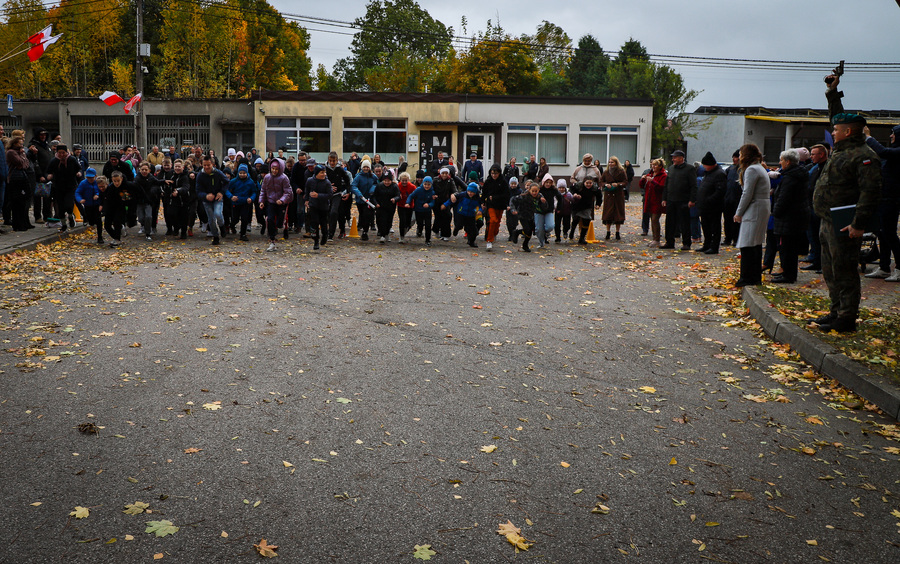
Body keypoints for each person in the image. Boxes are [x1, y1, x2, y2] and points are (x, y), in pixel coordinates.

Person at [807, 74, 882, 332]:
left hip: (845, 225)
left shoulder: (864, 155)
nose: (833, 131)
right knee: (830, 270)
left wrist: (858, 225)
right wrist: (831, 92)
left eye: (836, 130)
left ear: (847, 132)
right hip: (828, 221)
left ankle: (847, 317)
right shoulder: (842, 148)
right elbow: (837, 116)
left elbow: (870, 192)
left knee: (845, 271)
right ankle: (835, 310)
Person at [862, 124, 900, 281]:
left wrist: (869, 137)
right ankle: (884, 267)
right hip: (883, 197)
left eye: (893, 134)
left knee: (890, 233)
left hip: (892, 199)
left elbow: (883, 151)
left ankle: (899, 267)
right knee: (883, 233)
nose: (891, 136)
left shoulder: (896, 152)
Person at [768, 149, 809, 283]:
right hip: (792, 217)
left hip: (789, 218)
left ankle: (789, 275)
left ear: (788, 161)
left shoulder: (790, 177)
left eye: (781, 160)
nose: (780, 163)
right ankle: (786, 272)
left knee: (788, 248)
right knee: (787, 247)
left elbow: (784, 198)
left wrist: (775, 212)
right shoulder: (794, 174)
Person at [733, 144, 771, 287]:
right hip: (761, 206)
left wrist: (738, 212)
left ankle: (747, 276)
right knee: (755, 242)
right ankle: (754, 276)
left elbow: (747, 193)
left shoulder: (752, 169)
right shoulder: (759, 167)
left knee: (748, 243)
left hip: (755, 207)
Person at [661, 150, 697, 250]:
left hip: (683, 200)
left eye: (675, 157)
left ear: (681, 158)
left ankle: (686, 243)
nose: (673, 159)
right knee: (670, 222)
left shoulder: (689, 169)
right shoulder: (671, 169)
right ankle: (669, 242)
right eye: (673, 157)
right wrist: (664, 198)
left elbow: (693, 186)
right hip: (671, 200)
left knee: (684, 222)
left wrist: (692, 200)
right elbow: (666, 184)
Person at [801, 145, 829, 272]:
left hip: (822, 208)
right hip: (811, 206)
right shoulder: (814, 168)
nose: (811, 156)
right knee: (813, 236)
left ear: (822, 154)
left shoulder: (827, 168)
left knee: (822, 237)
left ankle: (824, 263)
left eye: (813, 154)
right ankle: (816, 261)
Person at [195, 155, 231, 245]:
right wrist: (205, 196)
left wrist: (221, 192)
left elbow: (227, 182)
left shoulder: (218, 173)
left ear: (213, 164)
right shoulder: (200, 175)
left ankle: (222, 226)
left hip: (217, 198)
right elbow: (198, 191)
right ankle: (215, 236)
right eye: (205, 165)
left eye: (208, 165)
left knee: (218, 214)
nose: (207, 167)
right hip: (207, 200)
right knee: (211, 219)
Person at [45, 144, 82, 231]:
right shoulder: (54, 161)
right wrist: (49, 175)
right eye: (59, 153)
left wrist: (78, 173)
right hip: (58, 187)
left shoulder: (71, 159)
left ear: (66, 152)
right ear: (56, 152)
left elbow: (79, 168)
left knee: (69, 205)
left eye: (63, 153)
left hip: (70, 186)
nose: (61, 155)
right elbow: (48, 171)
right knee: (60, 208)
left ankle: (70, 216)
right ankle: (64, 224)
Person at [696, 152, 727, 254]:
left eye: (705, 165)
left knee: (714, 227)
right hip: (705, 206)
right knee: (705, 226)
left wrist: (709, 200)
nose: (704, 167)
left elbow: (720, 191)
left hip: (713, 207)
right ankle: (707, 244)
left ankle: (714, 246)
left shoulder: (719, 174)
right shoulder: (708, 173)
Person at [259, 158, 293, 252]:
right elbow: (263, 190)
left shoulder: (284, 178)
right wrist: (261, 201)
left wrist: (282, 200)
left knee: (279, 222)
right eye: (273, 168)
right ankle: (272, 240)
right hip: (271, 202)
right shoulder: (267, 177)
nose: (274, 171)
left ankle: (281, 225)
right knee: (269, 219)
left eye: (276, 169)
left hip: (281, 203)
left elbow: (288, 192)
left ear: (280, 169)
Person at [443, 183, 482, 248]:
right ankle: (456, 229)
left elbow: (481, 205)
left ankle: (471, 242)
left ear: (475, 192)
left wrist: (480, 210)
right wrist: (445, 205)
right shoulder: (463, 195)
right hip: (461, 213)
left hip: (471, 215)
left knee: (473, 231)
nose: (470, 193)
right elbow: (452, 200)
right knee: (459, 225)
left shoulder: (477, 198)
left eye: (472, 192)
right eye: (469, 191)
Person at [481, 164, 509, 251]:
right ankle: (489, 240)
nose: (494, 175)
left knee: (497, 223)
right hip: (491, 205)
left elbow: (506, 194)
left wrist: (496, 197)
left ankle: (494, 233)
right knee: (492, 220)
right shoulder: (488, 181)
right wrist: (483, 202)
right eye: (492, 173)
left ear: (499, 173)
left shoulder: (503, 182)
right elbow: (484, 192)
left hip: (500, 205)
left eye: (496, 173)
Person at [640, 159, 667, 247]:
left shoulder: (663, 175)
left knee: (655, 219)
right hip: (649, 200)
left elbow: (662, 187)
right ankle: (654, 239)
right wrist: (643, 179)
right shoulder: (650, 174)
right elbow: (641, 186)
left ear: (660, 166)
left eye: (655, 165)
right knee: (652, 219)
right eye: (652, 165)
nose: (653, 167)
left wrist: (653, 181)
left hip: (657, 201)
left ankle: (657, 239)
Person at [304, 164, 332, 250]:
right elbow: (307, 190)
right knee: (314, 223)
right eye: (321, 173)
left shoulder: (327, 183)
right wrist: (307, 200)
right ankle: (316, 241)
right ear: (316, 173)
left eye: (325, 172)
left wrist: (318, 195)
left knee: (323, 224)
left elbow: (330, 195)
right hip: (313, 206)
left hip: (324, 207)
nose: (324, 174)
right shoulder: (310, 180)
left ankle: (325, 235)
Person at [105, 171, 136, 246]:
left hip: (120, 208)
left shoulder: (125, 187)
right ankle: (115, 236)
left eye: (118, 181)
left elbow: (128, 200)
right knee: (107, 226)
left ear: (121, 179)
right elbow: (106, 199)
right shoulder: (110, 188)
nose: (116, 183)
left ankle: (117, 239)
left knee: (117, 222)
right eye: (114, 181)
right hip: (110, 208)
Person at [600, 156, 627, 240]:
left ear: (616, 163)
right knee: (608, 213)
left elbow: (625, 182)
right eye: (609, 162)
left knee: (618, 213)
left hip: (618, 195)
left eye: (612, 162)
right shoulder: (606, 172)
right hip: (609, 195)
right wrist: (605, 185)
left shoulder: (621, 171)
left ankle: (617, 232)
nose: (610, 164)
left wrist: (618, 184)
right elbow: (601, 181)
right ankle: (608, 232)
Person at [350, 160, 378, 241]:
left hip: (369, 200)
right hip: (360, 200)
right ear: (362, 168)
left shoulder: (373, 176)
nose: (366, 168)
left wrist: (372, 189)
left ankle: (365, 232)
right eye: (364, 167)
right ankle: (362, 227)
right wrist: (359, 195)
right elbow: (353, 186)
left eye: (367, 167)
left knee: (367, 215)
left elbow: (376, 184)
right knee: (362, 215)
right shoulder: (358, 176)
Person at [134, 162, 162, 240]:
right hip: (140, 201)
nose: (144, 171)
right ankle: (143, 225)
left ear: (149, 170)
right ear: (139, 170)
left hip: (148, 201)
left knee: (149, 216)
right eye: (142, 169)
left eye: (146, 170)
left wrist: (165, 181)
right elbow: (133, 187)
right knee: (141, 218)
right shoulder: (137, 179)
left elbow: (158, 182)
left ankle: (148, 233)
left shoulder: (151, 178)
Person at [510, 181, 540, 252]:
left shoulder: (539, 197)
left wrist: (544, 203)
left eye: (536, 191)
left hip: (531, 215)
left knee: (529, 232)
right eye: (533, 191)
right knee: (527, 229)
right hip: (522, 215)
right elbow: (513, 200)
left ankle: (525, 245)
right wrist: (513, 209)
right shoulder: (523, 196)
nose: (534, 193)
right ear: (529, 190)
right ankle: (516, 232)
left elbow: (544, 206)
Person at [75, 168, 103, 244]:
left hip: (97, 205)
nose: (90, 179)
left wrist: (97, 195)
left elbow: (102, 191)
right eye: (88, 177)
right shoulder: (83, 183)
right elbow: (77, 192)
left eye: (92, 177)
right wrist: (80, 200)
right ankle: (90, 221)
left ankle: (100, 237)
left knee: (98, 220)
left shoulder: (98, 183)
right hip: (88, 205)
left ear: (95, 176)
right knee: (91, 220)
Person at [407, 175, 436, 246]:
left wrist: (429, 205)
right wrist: (408, 203)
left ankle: (428, 240)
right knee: (419, 223)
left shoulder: (432, 192)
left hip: (427, 211)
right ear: (423, 184)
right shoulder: (418, 190)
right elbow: (411, 196)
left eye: (428, 184)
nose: (426, 186)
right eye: (425, 184)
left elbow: (433, 202)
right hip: (418, 210)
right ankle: (419, 230)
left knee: (428, 225)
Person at [373, 171, 401, 243]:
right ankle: (382, 234)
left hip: (390, 207)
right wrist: (376, 203)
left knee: (388, 221)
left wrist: (394, 199)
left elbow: (398, 196)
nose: (387, 182)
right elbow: (374, 196)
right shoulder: (379, 186)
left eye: (388, 181)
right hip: (380, 206)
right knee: (380, 220)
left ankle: (386, 234)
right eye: (385, 181)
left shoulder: (394, 186)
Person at [723, 150, 742, 247]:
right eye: (733, 158)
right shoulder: (730, 169)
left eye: (736, 157)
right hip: (728, 198)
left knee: (736, 221)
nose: (734, 159)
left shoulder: (743, 170)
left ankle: (736, 239)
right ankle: (728, 238)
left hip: (737, 199)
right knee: (727, 220)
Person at [396, 171, 417, 243]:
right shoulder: (398, 186)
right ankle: (401, 236)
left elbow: (415, 195)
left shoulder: (412, 187)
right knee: (402, 220)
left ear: (408, 180)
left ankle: (406, 229)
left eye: (406, 180)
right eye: (403, 180)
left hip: (410, 206)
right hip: (401, 205)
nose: (404, 182)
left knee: (408, 221)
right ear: (400, 180)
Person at [506, 177, 522, 242]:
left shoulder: (519, 191)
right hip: (509, 209)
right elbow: (505, 199)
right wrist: (507, 206)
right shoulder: (507, 190)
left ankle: (513, 233)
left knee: (515, 222)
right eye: (512, 184)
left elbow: (521, 200)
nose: (513, 185)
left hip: (516, 209)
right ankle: (511, 234)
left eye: (514, 184)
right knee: (509, 222)